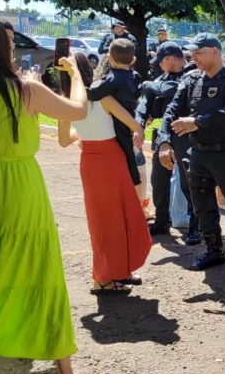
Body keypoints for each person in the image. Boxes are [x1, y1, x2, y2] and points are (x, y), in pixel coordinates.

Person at [0, 15, 84, 373]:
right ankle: (61, 362)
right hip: (22, 190)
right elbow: (79, 111)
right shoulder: (25, 89)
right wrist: (74, 75)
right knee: (39, 270)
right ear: (1, 48)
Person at [57, 52, 152, 294]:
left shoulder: (64, 101)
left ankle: (112, 274)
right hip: (113, 160)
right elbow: (134, 125)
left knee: (102, 222)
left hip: (90, 162)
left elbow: (64, 141)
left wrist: (86, 134)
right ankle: (106, 277)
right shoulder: (103, 97)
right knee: (123, 217)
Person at [157, 33, 225, 271]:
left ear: (215, 52)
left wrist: (198, 121)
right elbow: (171, 112)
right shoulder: (191, 80)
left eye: (199, 52)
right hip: (198, 154)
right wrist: (165, 142)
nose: (193, 57)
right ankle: (214, 250)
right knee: (202, 205)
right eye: (192, 53)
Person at [137, 41, 200, 243]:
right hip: (164, 135)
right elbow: (147, 107)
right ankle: (162, 221)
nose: (158, 66)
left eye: (161, 61)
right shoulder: (158, 81)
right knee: (159, 181)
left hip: (185, 136)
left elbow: (174, 92)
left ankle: (195, 227)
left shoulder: (194, 75)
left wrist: (155, 89)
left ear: (171, 59)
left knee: (188, 184)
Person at [87, 39, 143, 188]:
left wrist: (78, 85)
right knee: (129, 149)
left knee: (124, 150)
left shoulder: (112, 79)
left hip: (116, 122)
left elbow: (93, 94)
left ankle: (133, 178)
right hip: (130, 116)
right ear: (133, 59)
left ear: (109, 58)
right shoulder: (135, 76)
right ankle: (134, 178)